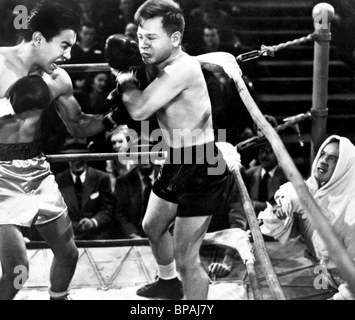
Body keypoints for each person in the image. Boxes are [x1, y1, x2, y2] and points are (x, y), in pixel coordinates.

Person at [0, 1, 110, 300]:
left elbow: (78, 125)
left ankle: (59, 297)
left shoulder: (58, 79)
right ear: (39, 38)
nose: (68, 55)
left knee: (69, 253)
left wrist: (114, 116)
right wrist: (9, 106)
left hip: (35, 165)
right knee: (18, 270)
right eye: (64, 45)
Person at [109, 0, 242, 300]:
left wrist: (124, 79)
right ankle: (167, 282)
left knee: (187, 260)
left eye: (151, 38)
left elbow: (141, 109)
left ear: (175, 39)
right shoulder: (166, 60)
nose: (143, 45)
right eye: (140, 37)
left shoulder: (180, 69)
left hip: (202, 164)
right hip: (177, 160)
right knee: (152, 226)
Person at [259, 135, 355, 300]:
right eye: (323, 154)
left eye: (333, 159)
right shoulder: (318, 189)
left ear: (344, 167)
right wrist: (281, 208)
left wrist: (337, 298)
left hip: (353, 291)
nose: (323, 161)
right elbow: (293, 193)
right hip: (323, 275)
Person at [55, 140, 115, 240]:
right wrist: (72, 226)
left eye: (81, 158)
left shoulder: (101, 178)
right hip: (68, 236)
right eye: (73, 158)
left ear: (86, 159)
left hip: (97, 236)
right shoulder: (58, 181)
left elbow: (107, 210)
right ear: (66, 159)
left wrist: (93, 222)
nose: (77, 162)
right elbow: (56, 212)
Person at [114, 162, 159, 239]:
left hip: (163, 231)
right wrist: (133, 234)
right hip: (136, 233)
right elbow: (120, 213)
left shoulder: (168, 176)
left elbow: (176, 209)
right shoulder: (124, 180)